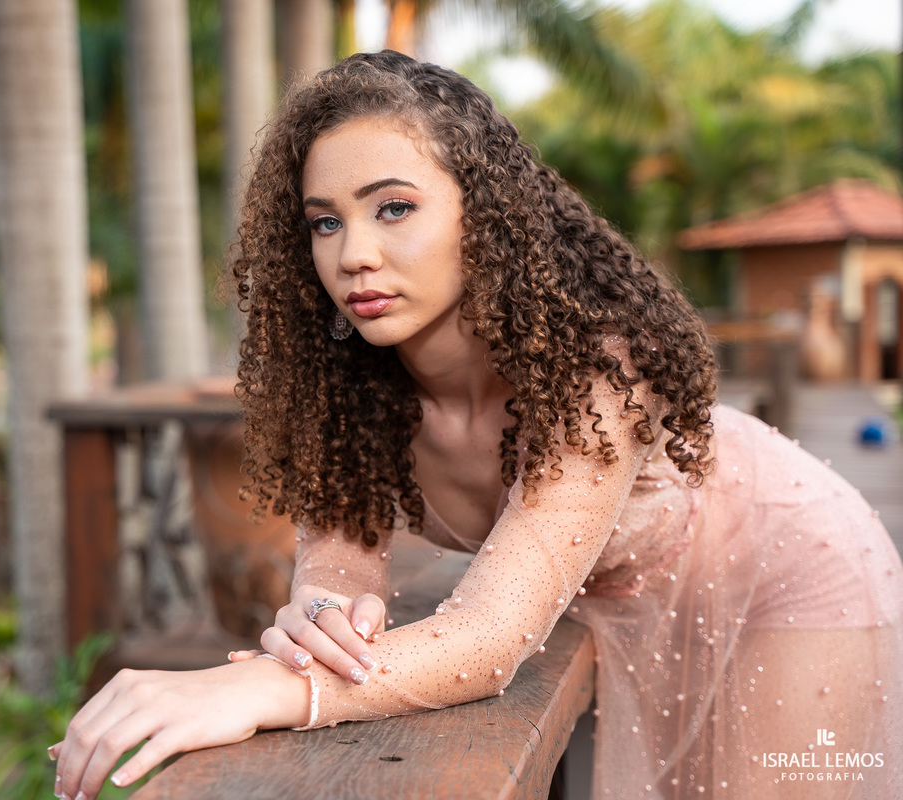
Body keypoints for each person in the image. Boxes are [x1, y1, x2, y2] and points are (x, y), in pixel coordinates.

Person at [51, 50, 903, 799]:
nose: (352, 254)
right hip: (624, 606)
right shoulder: (345, 386)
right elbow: (337, 583)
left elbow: (491, 640)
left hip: (784, 568)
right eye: (324, 221)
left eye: (393, 208)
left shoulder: (599, 365)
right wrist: (314, 626)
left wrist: (258, 690)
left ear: (483, 214)